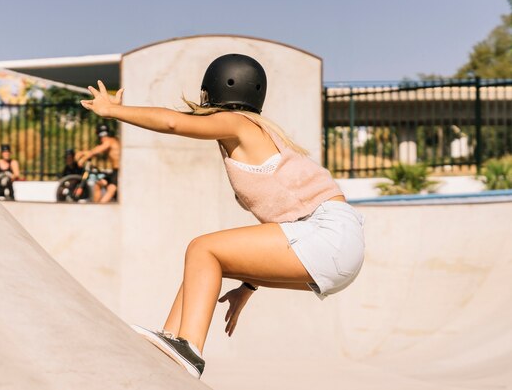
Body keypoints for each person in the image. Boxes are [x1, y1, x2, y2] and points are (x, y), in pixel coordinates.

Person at [79, 54, 365, 379]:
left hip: (327, 233)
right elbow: (280, 226)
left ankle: (187, 348)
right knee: (204, 266)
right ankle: (171, 344)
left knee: (202, 248)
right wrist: (248, 285)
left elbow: (173, 122)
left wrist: (113, 110)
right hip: (334, 245)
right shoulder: (260, 135)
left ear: (211, 94)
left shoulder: (237, 124)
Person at [76, 123, 120, 190]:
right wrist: (82, 153)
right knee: (98, 183)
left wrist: (83, 159)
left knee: (111, 189)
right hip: (114, 171)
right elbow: (95, 151)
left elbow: (96, 151)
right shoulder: (109, 142)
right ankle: (98, 201)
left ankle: (103, 200)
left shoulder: (109, 141)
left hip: (119, 171)